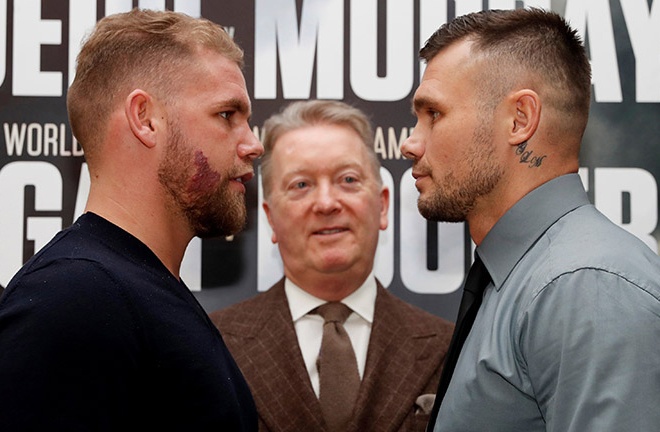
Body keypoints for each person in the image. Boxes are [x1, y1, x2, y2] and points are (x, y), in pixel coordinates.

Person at [0, 8, 263, 431]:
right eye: (227, 115)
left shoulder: (127, 290)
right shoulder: (76, 299)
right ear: (145, 118)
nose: (253, 143)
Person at [400, 7, 660, 432]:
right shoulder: (536, 277)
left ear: (520, 119)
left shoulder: (584, 286)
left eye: (434, 114)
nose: (410, 143)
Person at [210, 100, 454, 432]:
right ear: (270, 219)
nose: (326, 203)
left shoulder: (451, 347)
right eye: (301, 185)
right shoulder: (212, 346)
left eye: (348, 179)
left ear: (382, 206)